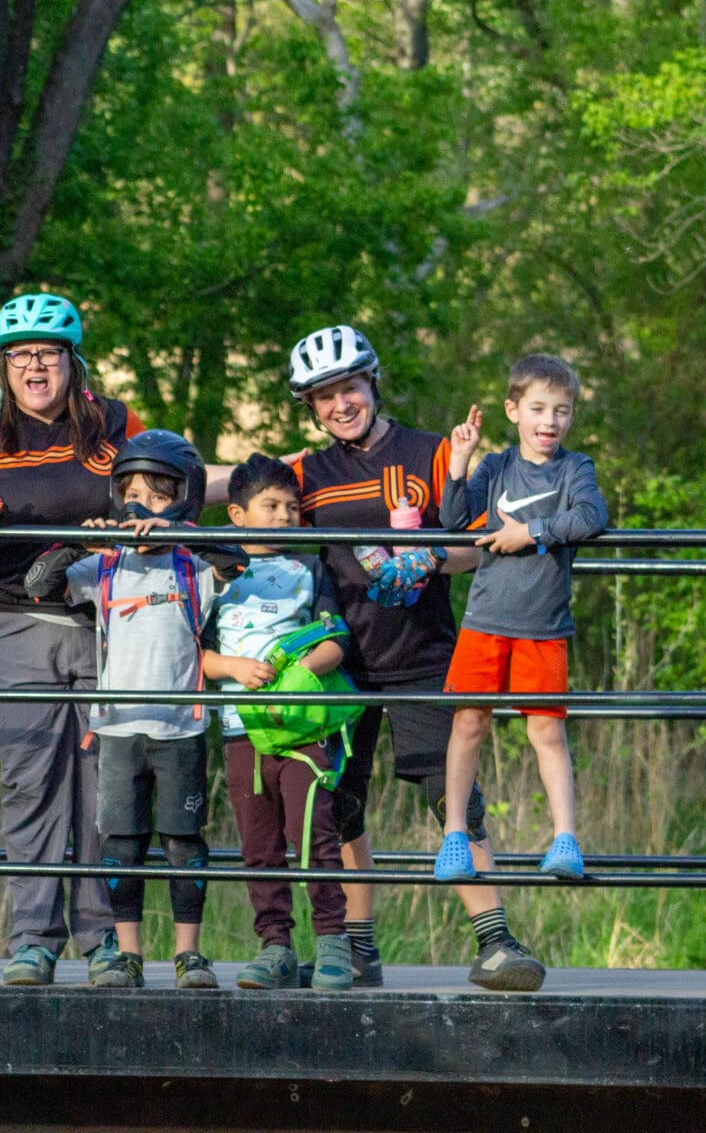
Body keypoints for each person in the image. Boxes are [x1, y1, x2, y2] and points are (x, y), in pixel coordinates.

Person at [286, 323, 544, 992]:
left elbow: (476, 543)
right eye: (323, 397)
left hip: (423, 653)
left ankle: (496, 941)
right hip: (340, 658)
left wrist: (430, 552)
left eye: (349, 388)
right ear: (310, 408)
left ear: (373, 382)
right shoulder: (306, 474)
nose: (340, 404)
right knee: (340, 802)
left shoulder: (429, 452)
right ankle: (359, 949)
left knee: (450, 796)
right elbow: (235, 492)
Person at [24, 431, 247, 989]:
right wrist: (78, 543)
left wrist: (182, 533)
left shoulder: (192, 563)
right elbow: (37, 584)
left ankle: (188, 954)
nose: (140, 505)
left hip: (181, 727)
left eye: (155, 494)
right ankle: (128, 955)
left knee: (183, 840)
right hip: (118, 727)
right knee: (121, 842)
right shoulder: (104, 567)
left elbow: (235, 558)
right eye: (129, 492)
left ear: (183, 498)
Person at [437, 355, 607, 888]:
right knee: (468, 723)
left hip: (545, 625)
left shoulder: (576, 468)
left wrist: (528, 533)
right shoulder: (496, 467)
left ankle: (564, 840)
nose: (549, 421)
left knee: (546, 731)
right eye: (537, 408)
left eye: (561, 411)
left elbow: (591, 517)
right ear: (513, 410)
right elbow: (453, 521)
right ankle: (453, 836)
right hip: (485, 618)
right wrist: (459, 463)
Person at [204, 455, 353, 992]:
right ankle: (276, 945)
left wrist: (296, 672)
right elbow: (194, 654)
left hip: (303, 730)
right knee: (259, 843)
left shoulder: (310, 569)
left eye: (293, 507)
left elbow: (336, 641)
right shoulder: (216, 573)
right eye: (272, 506)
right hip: (243, 730)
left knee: (314, 832)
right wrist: (234, 669)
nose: (286, 515)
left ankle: (334, 942)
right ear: (238, 514)